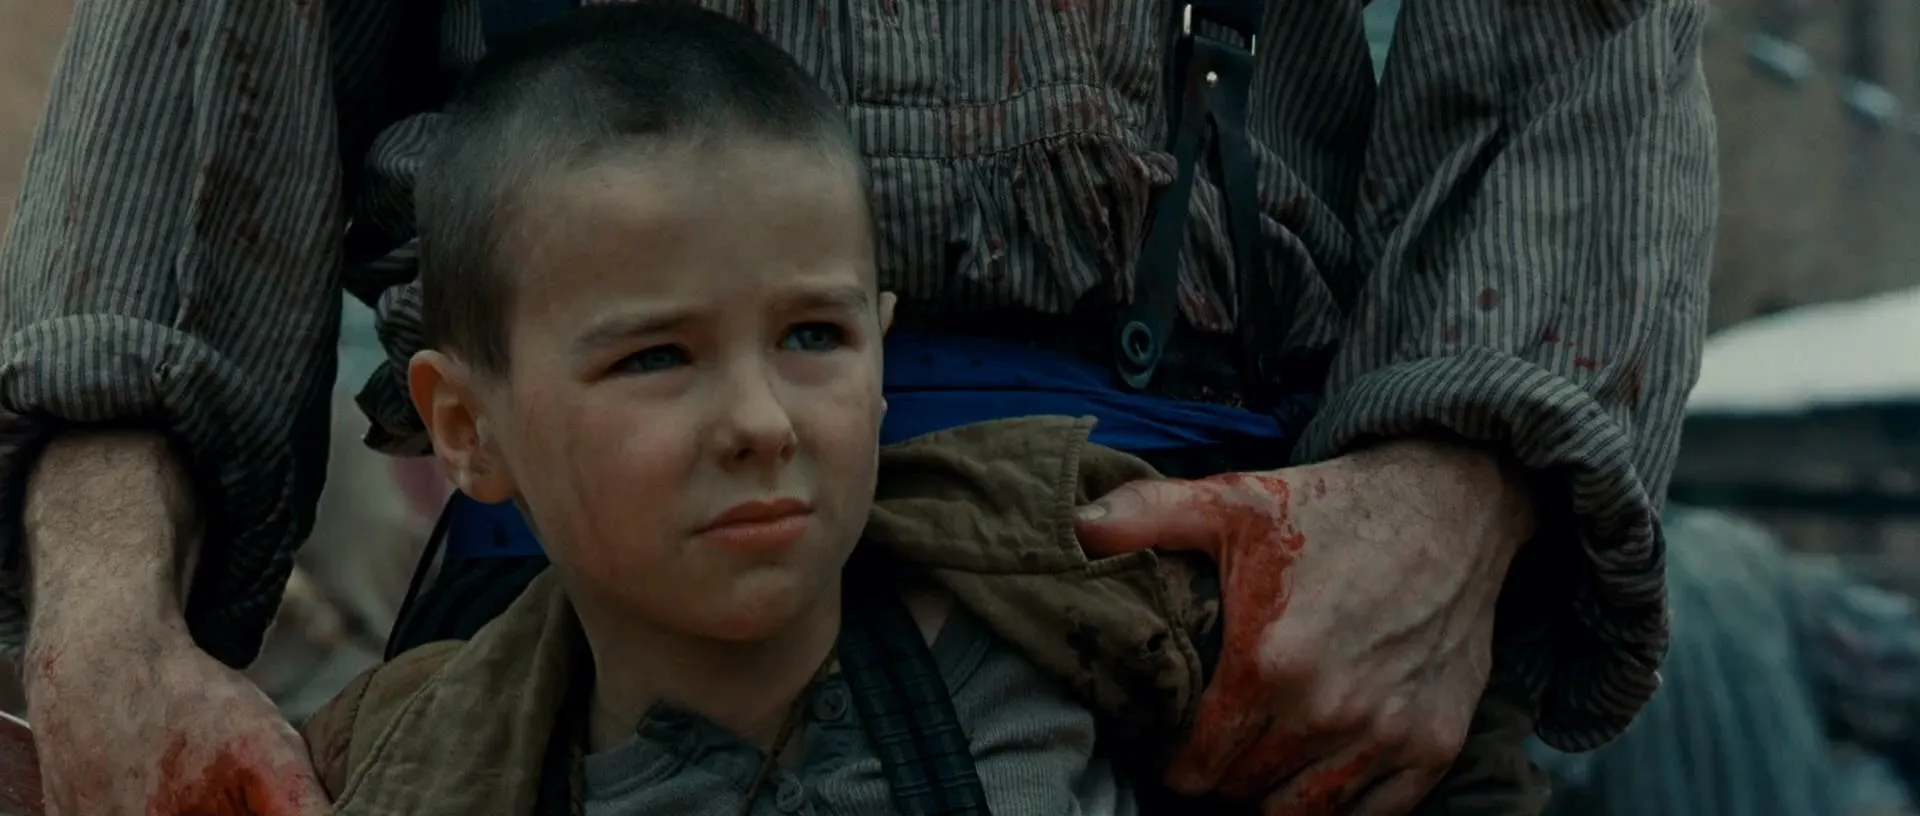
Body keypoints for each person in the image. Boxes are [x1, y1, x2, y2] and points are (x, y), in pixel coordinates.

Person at [0, 0, 1717, 814]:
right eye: (680, 360)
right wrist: (104, 606)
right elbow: (196, 92)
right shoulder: (427, 769)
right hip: (562, 627)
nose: (763, 420)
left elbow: (1577, 51)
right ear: (462, 422)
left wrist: (1456, 497)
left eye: (820, 342)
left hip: (1227, 612)